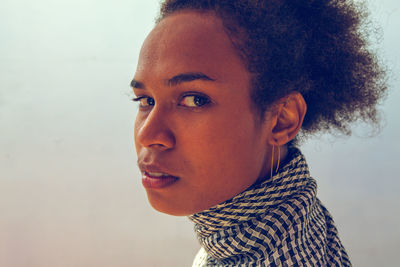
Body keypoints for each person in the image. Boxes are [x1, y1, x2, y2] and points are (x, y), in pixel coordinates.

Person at [131, 0, 386, 266]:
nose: (147, 134)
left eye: (194, 100)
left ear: (282, 120)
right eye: (145, 101)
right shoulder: (286, 226)